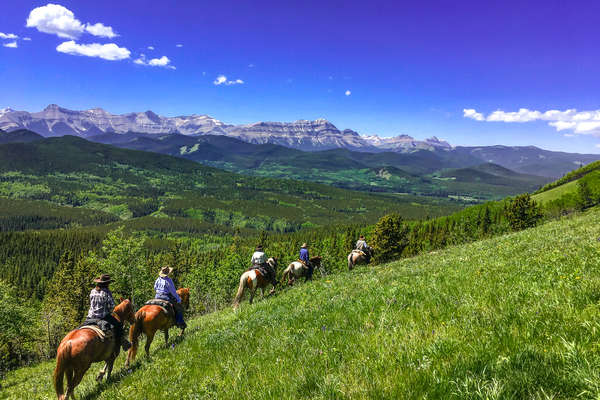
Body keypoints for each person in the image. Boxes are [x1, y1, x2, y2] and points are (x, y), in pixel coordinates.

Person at [87, 274, 131, 351]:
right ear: (106, 284)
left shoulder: (92, 291)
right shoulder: (107, 292)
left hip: (90, 317)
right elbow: (112, 307)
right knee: (119, 325)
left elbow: (91, 303)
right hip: (103, 317)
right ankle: (123, 342)